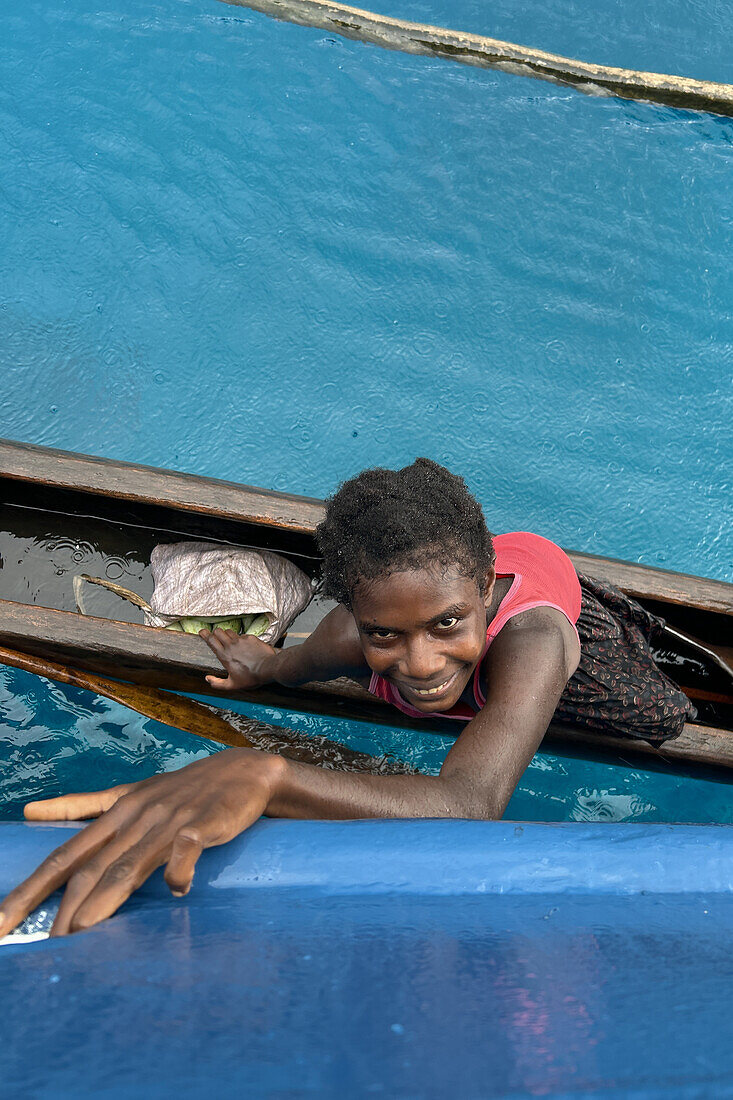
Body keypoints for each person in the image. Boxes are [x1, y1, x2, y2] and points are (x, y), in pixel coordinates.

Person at [0, 459, 694, 938]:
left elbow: (468, 803)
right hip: (455, 594)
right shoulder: (347, 634)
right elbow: (291, 664)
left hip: (562, 631)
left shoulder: (532, 644)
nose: (419, 663)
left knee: (661, 717)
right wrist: (260, 669)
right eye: (385, 633)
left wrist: (264, 773)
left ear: (483, 591)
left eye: (446, 623)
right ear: (358, 618)